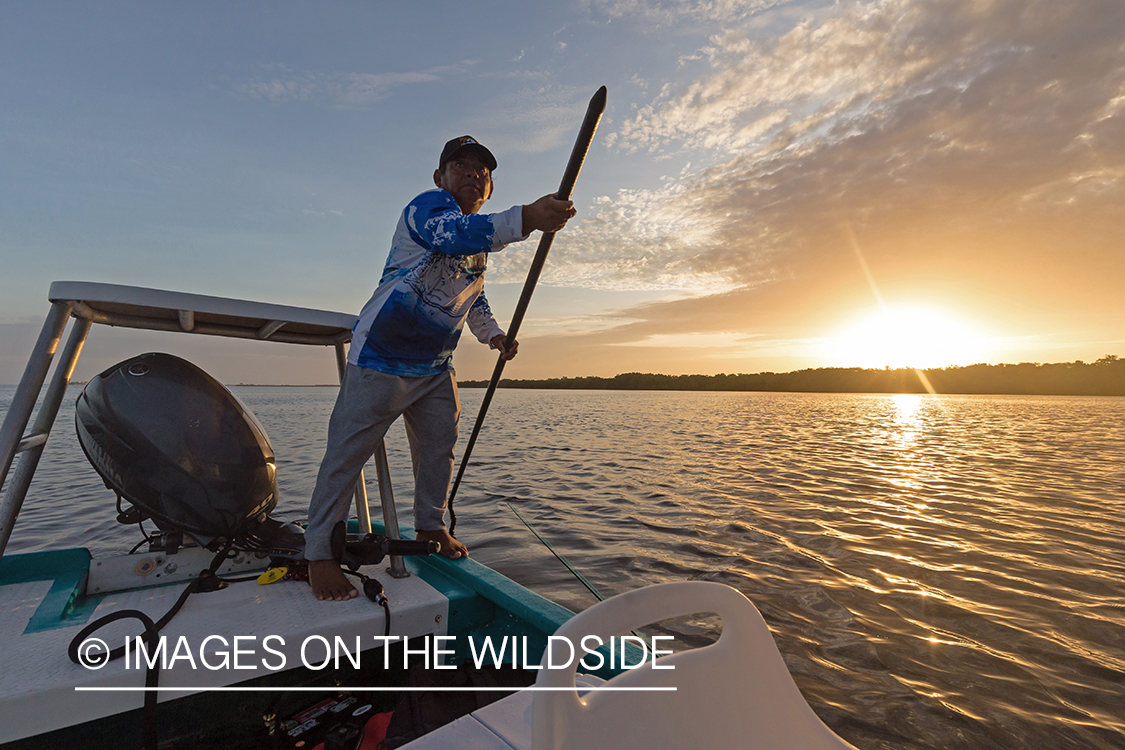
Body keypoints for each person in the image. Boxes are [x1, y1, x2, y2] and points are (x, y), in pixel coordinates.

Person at [305, 135, 576, 601]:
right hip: (380, 360)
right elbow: (451, 235)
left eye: (482, 170)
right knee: (346, 456)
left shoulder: (478, 244)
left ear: (488, 187)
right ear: (440, 178)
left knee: (438, 450)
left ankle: (430, 527)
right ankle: (318, 556)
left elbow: (474, 294)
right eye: (460, 166)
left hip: (434, 367)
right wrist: (528, 217)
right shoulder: (428, 209)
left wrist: (492, 335)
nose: (473, 173)